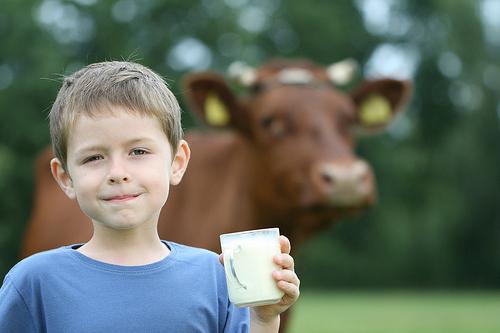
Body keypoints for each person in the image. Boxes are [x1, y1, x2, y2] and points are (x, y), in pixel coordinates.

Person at [0, 61, 300, 332]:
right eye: (93, 158)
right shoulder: (34, 282)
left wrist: (263, 318)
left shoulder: (216, 277)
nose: (117, 172)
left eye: (138, 152)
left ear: (177, 163)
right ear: (65, 177)